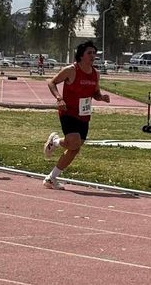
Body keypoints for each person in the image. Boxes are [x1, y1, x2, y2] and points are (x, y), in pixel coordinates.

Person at [42, 41, 110, 189]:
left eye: (94, 53)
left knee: (75, 147)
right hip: (68, 111)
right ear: (81, 55)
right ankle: (50, 176)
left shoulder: (95, 73)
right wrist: (59, 98)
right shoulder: (71, 70)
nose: (93, 56)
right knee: (74, 142)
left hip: (84, 115)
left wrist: (101, 97)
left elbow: (95, 93)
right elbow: (51, 82)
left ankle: (51, 176)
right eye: (89, 53)